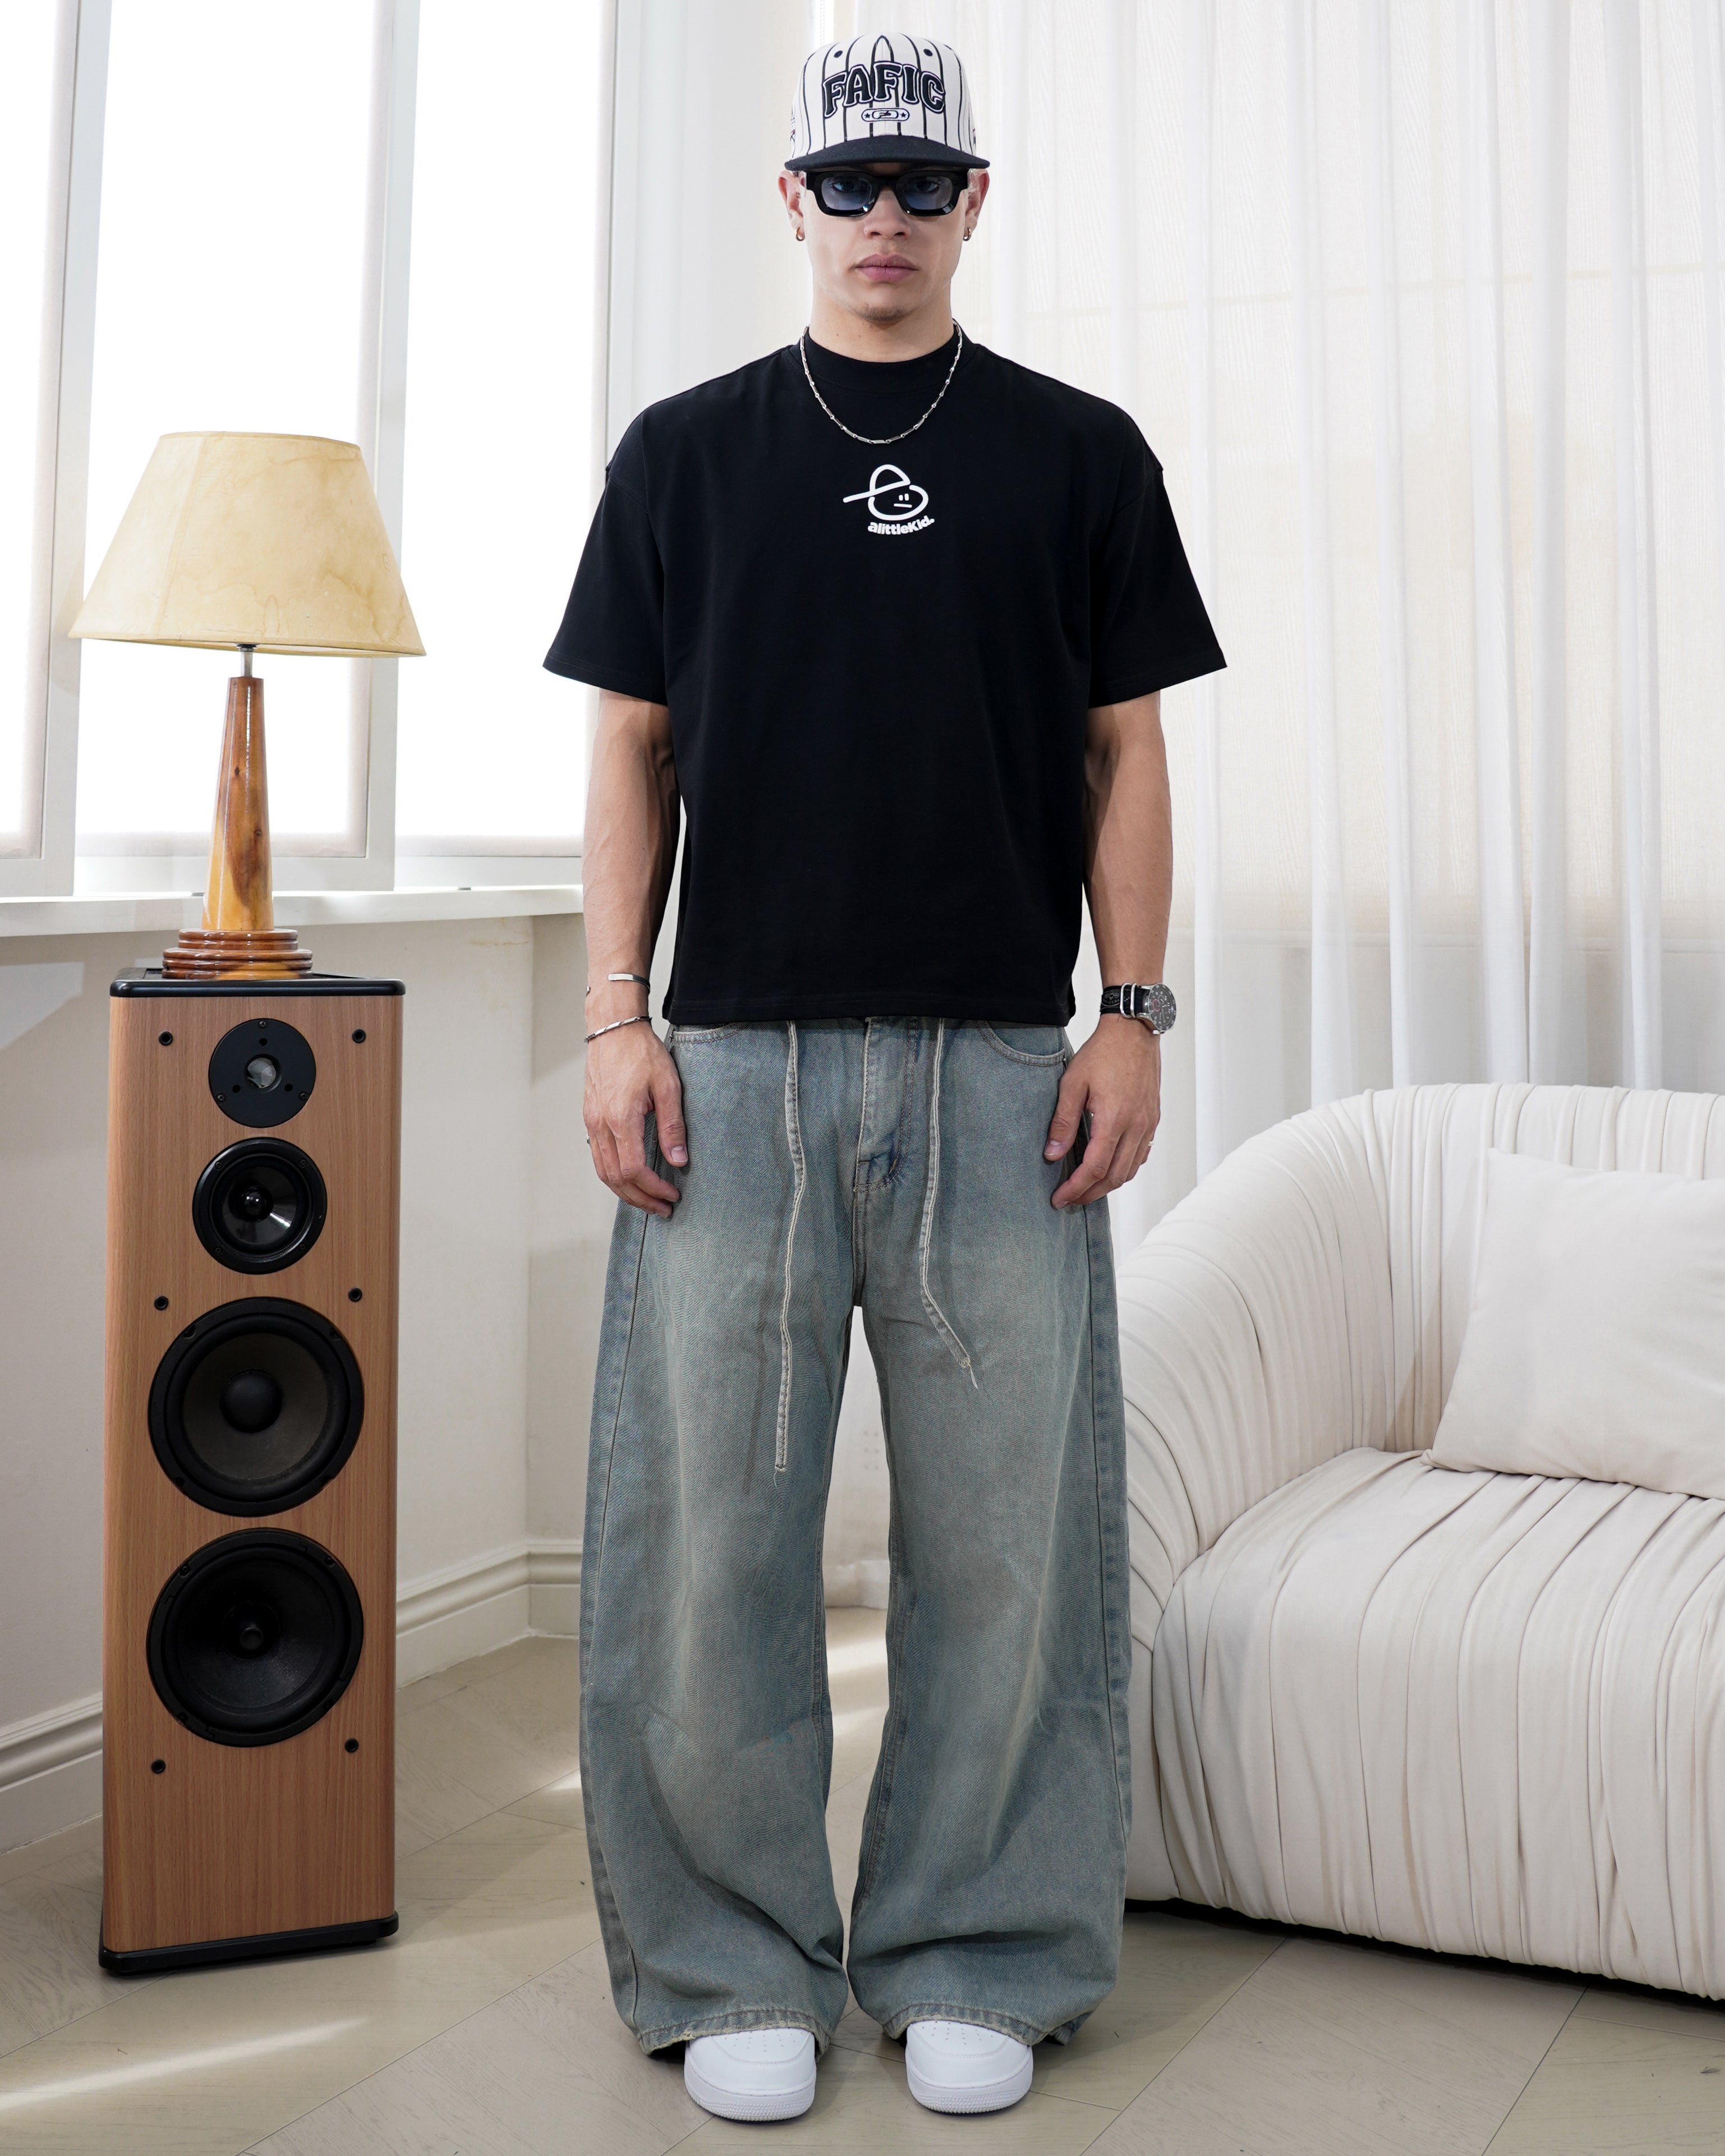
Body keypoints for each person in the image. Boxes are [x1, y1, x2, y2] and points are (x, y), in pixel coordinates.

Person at [545, 28, 1224, 2126]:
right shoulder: (682, 452)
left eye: (923, 181)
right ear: (794, 199)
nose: (885, 217)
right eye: (848, 182)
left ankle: (980, 1946)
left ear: (971, 200)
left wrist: (1133, 1007)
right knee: (709, 1539)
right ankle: (724, 1955)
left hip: (1003, 1065)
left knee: (1010, 1540)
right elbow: (629, 746)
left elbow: (1124, 745)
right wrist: (611, 1015)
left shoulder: (1080, 452)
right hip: (727, 1064)